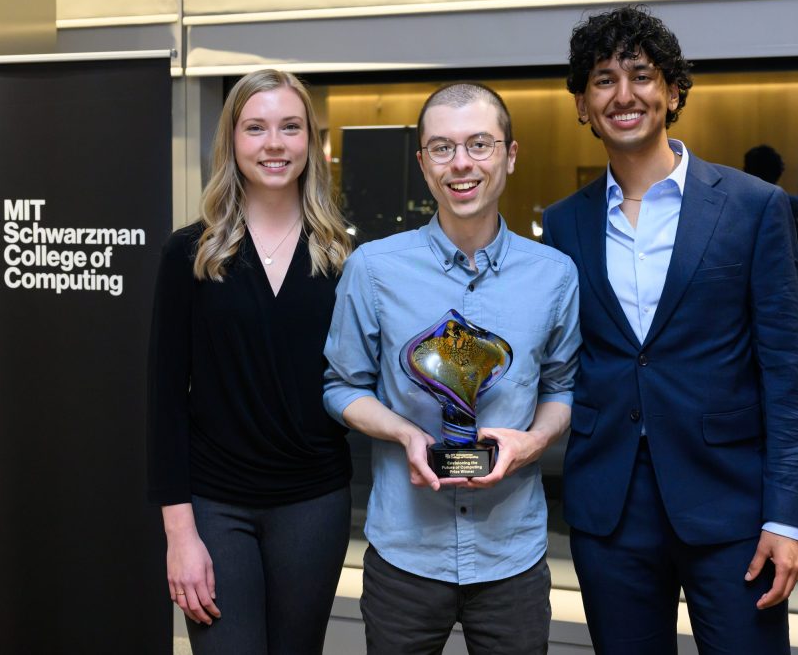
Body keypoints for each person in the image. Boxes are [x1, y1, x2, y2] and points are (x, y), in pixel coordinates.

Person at [542, 6, 798, 654]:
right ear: (583, 104)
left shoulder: (752, 207)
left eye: (641, 75)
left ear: (672, 91)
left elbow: (788, 375)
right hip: (611, 508)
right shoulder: (564, 223)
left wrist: (787, 517)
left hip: (732, 506)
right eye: (604, 80)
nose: (624, 94)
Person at [324, 82, 581, 654]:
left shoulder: (554, 275)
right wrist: (405, 434)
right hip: (405, 553)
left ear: (510, 156)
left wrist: (534, 442)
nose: (461, 163)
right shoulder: (373, 269)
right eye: (442, 147)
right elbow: (342, 386)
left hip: (511, 554)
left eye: (480, 144)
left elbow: (562, 387)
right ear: (423, 162)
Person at [147, 69, 354, 654]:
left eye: (290, 127)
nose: (274, 144)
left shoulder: (343, 257)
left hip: (314, 503)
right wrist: (179, 534)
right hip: (215, 505)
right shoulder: (190, 253)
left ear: (310, 140)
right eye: (256, 128)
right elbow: (165, 401)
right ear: (232, 141)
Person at [743, 145, 798, 318]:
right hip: (795, 296)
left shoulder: (736, 206)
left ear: (746, 170)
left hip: (746, 300)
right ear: (780, 171)